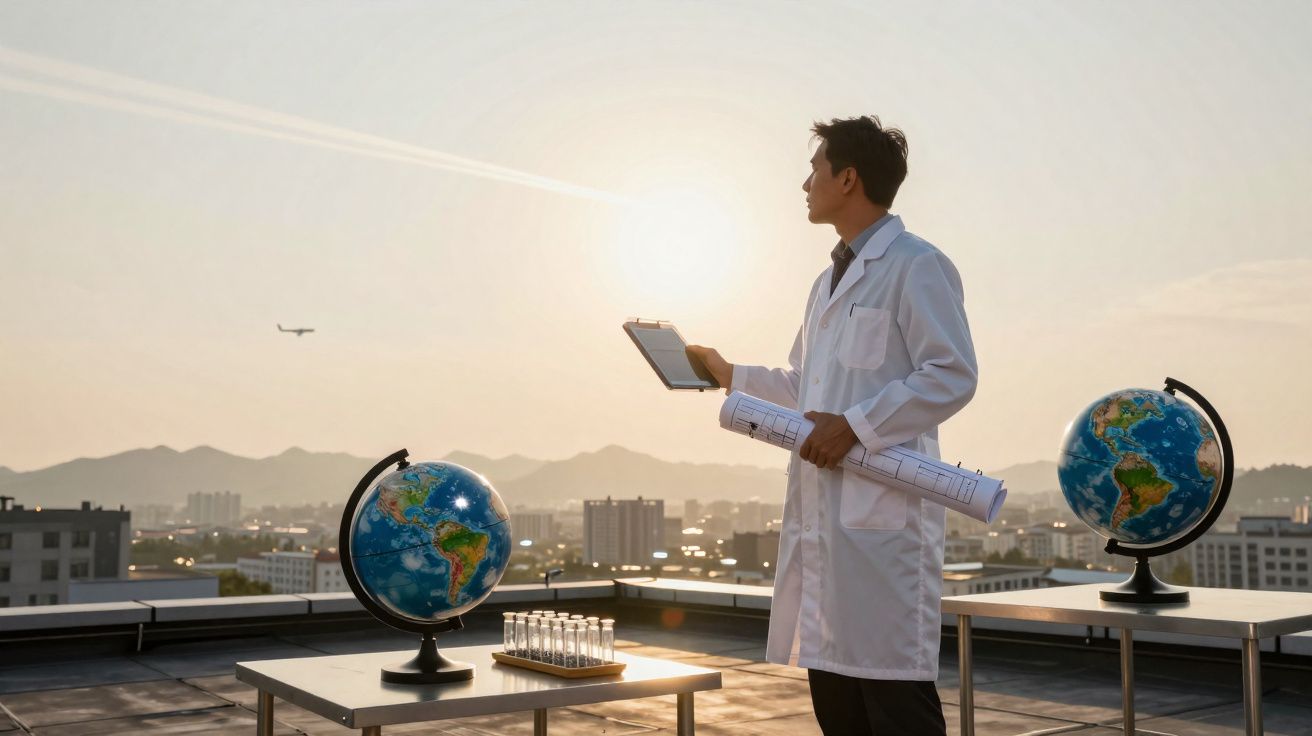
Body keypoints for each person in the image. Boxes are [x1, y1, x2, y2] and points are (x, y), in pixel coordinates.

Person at [687, 115, 977, 736]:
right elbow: (806, 388)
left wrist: (855, 426)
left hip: (881, 527)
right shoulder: (825, 284)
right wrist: (730, 374)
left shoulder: (917, 265)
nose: (805, 183)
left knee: (897, 708)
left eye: (814, 169)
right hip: (825, 526)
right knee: (838, 709)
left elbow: (952, 374)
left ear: (847, 179)